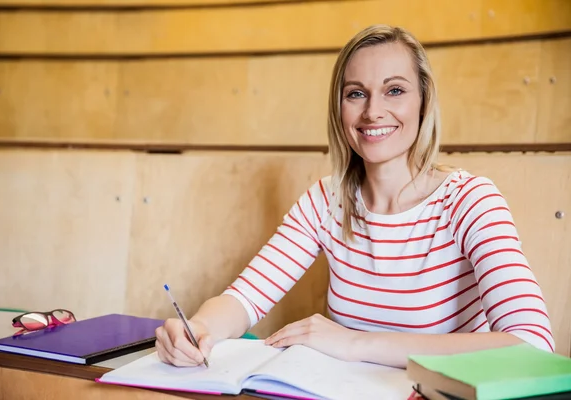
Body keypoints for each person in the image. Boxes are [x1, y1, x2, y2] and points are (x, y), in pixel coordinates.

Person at [155, 24, 554, 369]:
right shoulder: (325, 200)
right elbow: (245, 298)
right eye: (356, 94)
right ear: (340, 108)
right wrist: (199, 328)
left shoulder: (470, 201)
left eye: (394, 90)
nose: (373, 112)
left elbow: (533, 346)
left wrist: (356, 343)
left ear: (424, 102)